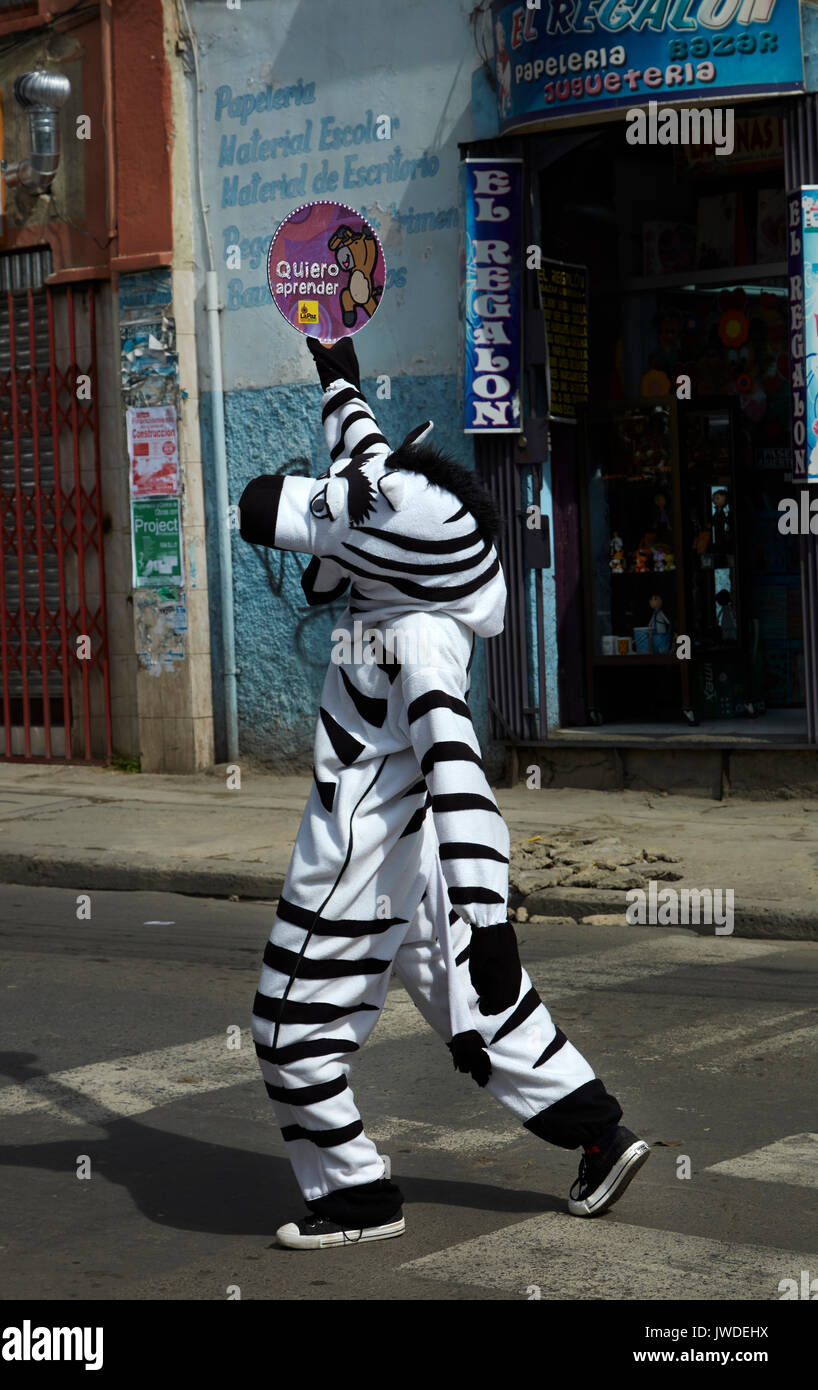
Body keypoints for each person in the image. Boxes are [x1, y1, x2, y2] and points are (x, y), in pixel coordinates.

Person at [238, 333, 649, 1249]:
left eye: (350, 528)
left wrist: (492, 914)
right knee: (483, 1013)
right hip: (411, 855)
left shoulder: (421, 640)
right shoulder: (400, 535)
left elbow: (462, 780)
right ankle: (599, 1135)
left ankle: (356, 1197)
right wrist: (336, 367)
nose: (323, 519)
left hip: (362, 856)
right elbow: (359, 455)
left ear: (396, 556)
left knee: (286, 1030)